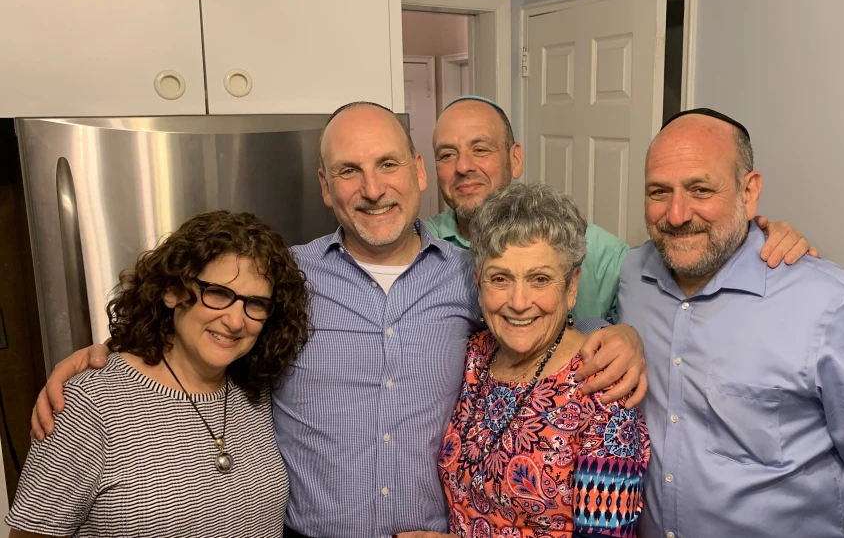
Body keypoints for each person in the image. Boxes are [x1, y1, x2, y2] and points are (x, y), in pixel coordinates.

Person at [31, 102, 648, 538]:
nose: (372, 189)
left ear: (417, 172)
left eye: (387, 165)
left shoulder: (468, 276)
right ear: (326, 188)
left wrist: (619, 335)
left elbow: (540, 321)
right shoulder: (285, 277)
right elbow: (210, 321)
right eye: (349, 172)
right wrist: (103, 355)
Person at [618, 108, 844, 538]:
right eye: (658, 192)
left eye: (700, 189)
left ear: (749, 192)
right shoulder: (631, 276)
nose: (676, 214)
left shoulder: (832, 307)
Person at [4, 210, 310, 537]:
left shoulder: (258, 391)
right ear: (172, 291)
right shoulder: (88, 405)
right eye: (218, 293)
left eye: (256, 303)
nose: (236, 321)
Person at [424, 95, 818, 321]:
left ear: (515, 158)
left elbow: (690, 265)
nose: (463, 167)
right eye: (447, 154)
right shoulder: (420, 248)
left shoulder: (606, 256)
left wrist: (757, 235)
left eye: (481, 149)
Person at [439, 183, 650, 536]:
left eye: (540, 279)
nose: (519, 302)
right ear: (478, 283)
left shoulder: (603, 389)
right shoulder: (473, 356)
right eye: (500, 278)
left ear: (571, 287)